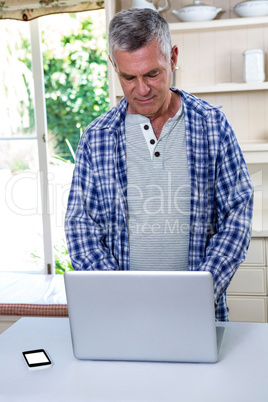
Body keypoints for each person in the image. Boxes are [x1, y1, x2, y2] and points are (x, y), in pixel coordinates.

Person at [65, 8, 254, 321]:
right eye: (129, 77)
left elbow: (237, 213)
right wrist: (116, 300)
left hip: (199, 314)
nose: (141, 89)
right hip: (121, 317)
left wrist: (200, 295)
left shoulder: (212, 126)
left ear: (174, 57)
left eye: (152, 73)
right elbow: (81, 226)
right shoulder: (96, 138)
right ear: (114, 66)